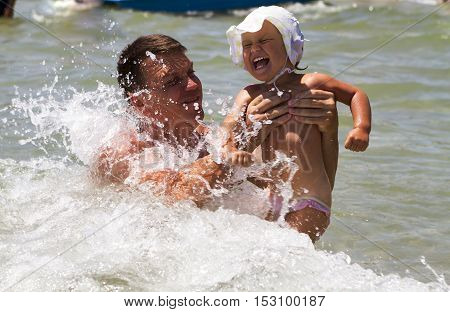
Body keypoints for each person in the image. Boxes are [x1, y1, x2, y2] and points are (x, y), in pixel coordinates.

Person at [92, 34, 339, 241]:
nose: (193, 85)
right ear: (141, 103)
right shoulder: (121, 151)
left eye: (191, 72)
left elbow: (302, 198)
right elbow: (177, 196)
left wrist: (326, 131)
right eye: (173, 81)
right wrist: (247, 137)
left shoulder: (208, 138)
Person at [223, 6, 372, 240]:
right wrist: (231, 148)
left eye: (263, 40)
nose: (254, 49)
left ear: (291, 46)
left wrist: (361, 128)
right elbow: (230, 121)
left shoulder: (312, 83)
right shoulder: (249, 93)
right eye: (247, 45)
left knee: (285, 249)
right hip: (269, 199)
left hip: (309, 199)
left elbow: (355, 95)